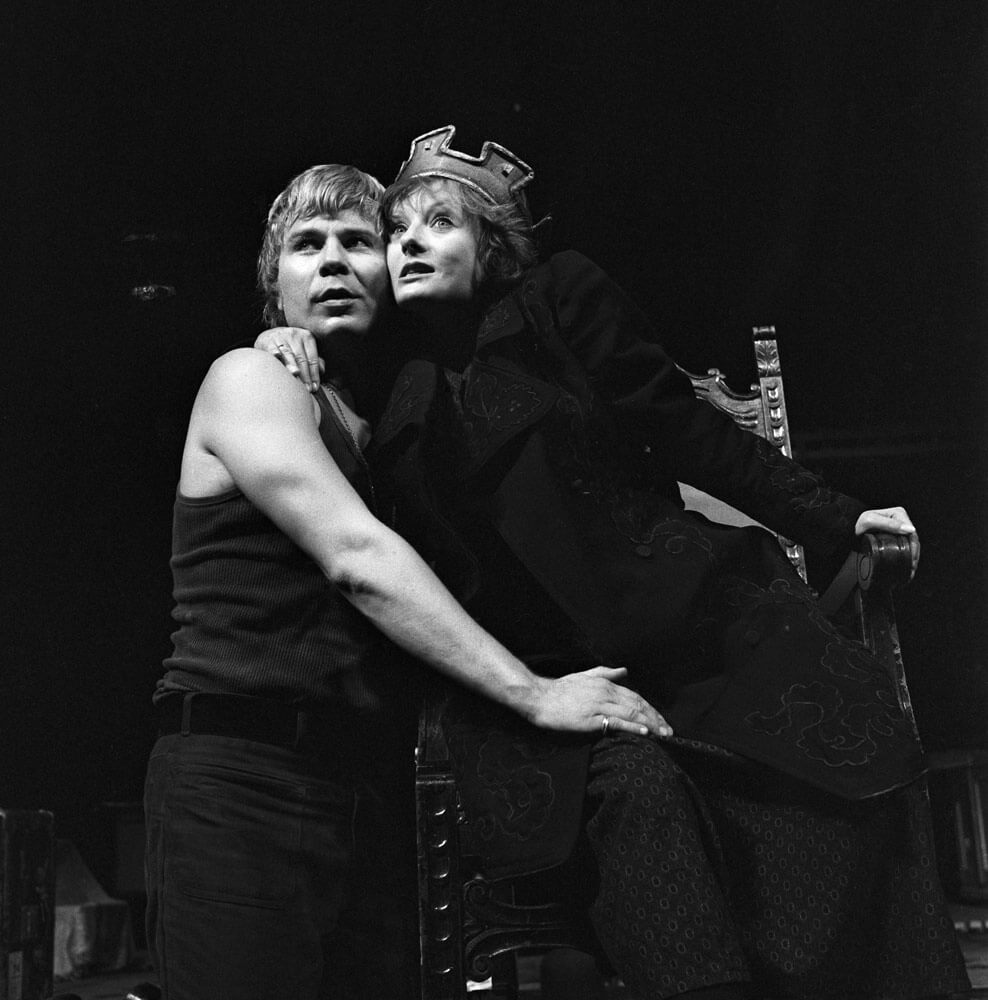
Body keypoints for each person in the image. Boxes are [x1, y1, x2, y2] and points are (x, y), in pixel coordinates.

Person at [258, 128, 969, 1000]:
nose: (409, 243)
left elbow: (687, 428)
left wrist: (837, 516)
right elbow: (317, 396)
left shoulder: (558, 298)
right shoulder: (383, 369)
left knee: (841, 762)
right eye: (398, 229)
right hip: (534, 678)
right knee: (637, 793)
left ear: (493, 246)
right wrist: (279, 347)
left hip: (687, 630)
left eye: (440, 223)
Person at [145, 162, 667, 1000]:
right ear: (274, 286)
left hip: (365, 784)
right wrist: (535, 695)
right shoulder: (249, 379)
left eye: (358, 242)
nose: (333, 260)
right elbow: (357, 557)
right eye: (307, 245)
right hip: (241, 775)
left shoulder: (383, 416)